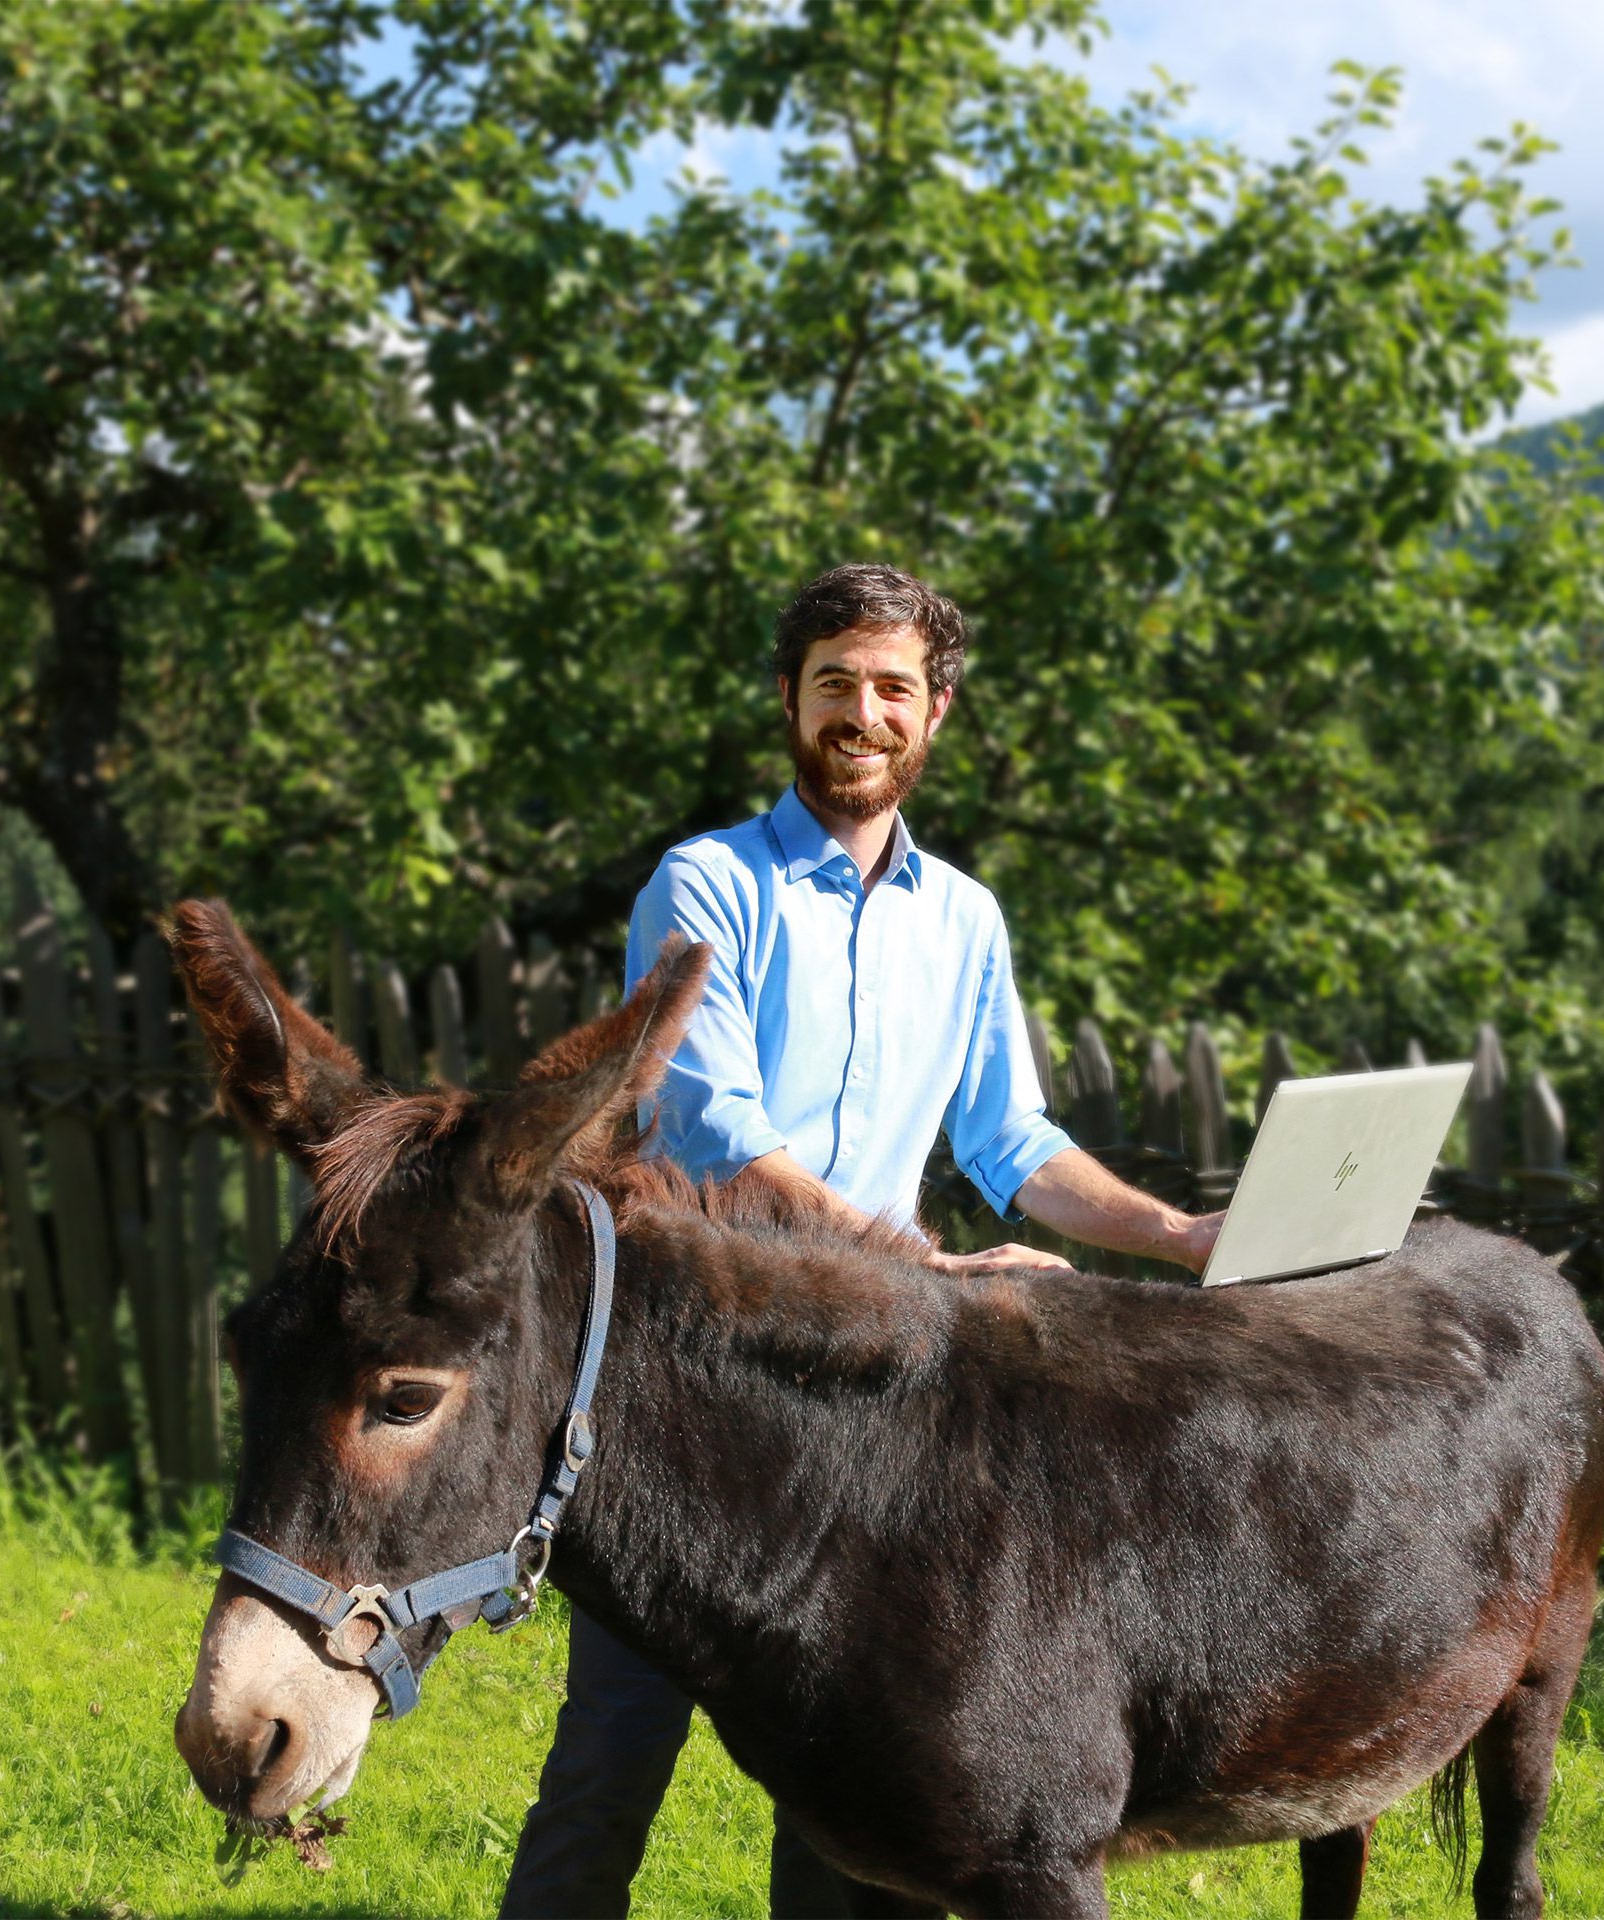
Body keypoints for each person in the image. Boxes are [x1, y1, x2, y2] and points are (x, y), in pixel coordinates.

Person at [500, 564, 1224, 1920]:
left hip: (870, 1400)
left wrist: (1179, 1234)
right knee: (614, 1753)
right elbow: (718, 1135)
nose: (863, 711)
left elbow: (1012, 1139)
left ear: (935, 712)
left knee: (861, 1768)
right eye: (835, 681)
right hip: (689, 1380)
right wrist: (921, 1269)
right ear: (789, 699)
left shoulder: (965, 921)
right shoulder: (704, 885)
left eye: (894, 687)